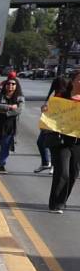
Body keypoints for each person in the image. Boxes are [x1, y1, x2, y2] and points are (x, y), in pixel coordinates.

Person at [46, 72, 79, 214]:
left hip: (78, 142)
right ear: (73, 81)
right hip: (62, 139)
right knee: (63, 172)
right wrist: (46, 111)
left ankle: (62, 201)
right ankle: (56, 204)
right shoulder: (61, 96)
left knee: (73, 173)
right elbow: (51, 114)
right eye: (79, 79)